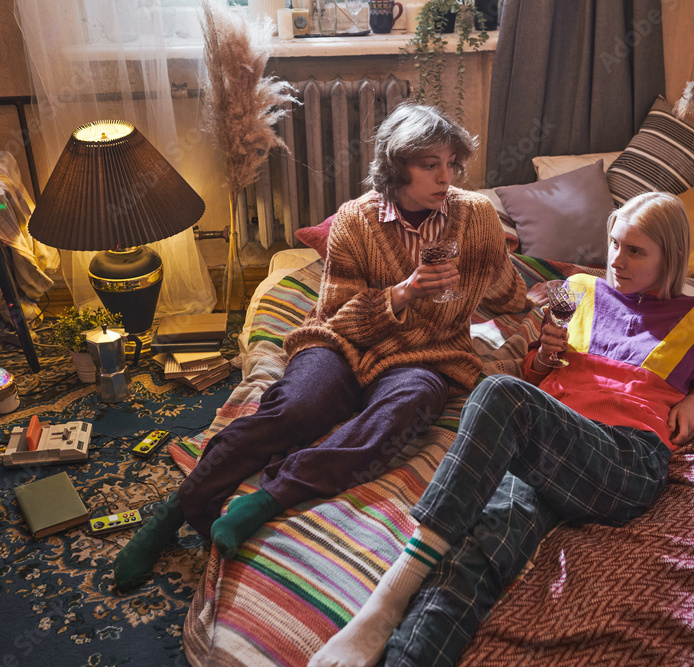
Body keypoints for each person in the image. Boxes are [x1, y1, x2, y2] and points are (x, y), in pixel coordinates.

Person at [113, 102, 534, 592]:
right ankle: (175, 510)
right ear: (397, 167)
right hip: (344, 342)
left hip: (426, 353)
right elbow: (338, 316)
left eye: (452, 165)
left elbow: (508, 294)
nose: (447, 177)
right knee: (296, 407)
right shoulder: (356, 220)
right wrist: (403, 292)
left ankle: (268, 498)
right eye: (430, 165)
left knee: (399, 414)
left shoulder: (475, 214)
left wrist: (512, 272)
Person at [309, 192, 694, 667]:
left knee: (499, 392)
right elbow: (536, 373)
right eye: (614, 244)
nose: (617, 260)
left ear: (670, 256)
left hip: (624, 460)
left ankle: (389, 595)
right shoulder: (575, 288)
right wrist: (545, 356)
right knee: (483, 543)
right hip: (549, 443)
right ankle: (402, 650)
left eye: (636, 251)